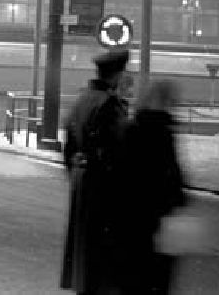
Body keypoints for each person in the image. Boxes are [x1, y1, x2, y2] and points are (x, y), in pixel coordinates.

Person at [60, 48, 130, 294]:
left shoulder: (83, 99)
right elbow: (117, 150)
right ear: (116, 75)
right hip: (104, 187)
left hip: (83, 182)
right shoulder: (109, 104)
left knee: (84, 250)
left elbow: (68, 146)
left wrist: (77, 171)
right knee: (103, 256)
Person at [120, 80, 187, 294]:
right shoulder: (162, 132)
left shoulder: (132, 129)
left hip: (132, 219)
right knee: (157, 280)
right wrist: (177, 200)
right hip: (157, 220)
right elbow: (171, 177)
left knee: (134, 279)